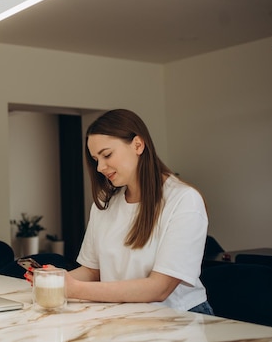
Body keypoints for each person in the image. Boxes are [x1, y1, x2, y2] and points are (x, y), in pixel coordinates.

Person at [29, 109, 213, 314]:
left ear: (138, 145)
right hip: (121, 313)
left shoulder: (184, 200)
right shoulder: (105, 202)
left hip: (178, 318)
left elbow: (159, 288)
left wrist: (75, 289)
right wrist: (56, 279)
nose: (100, 167)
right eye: (95, 159)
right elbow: (92, 270)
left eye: (107, 155)